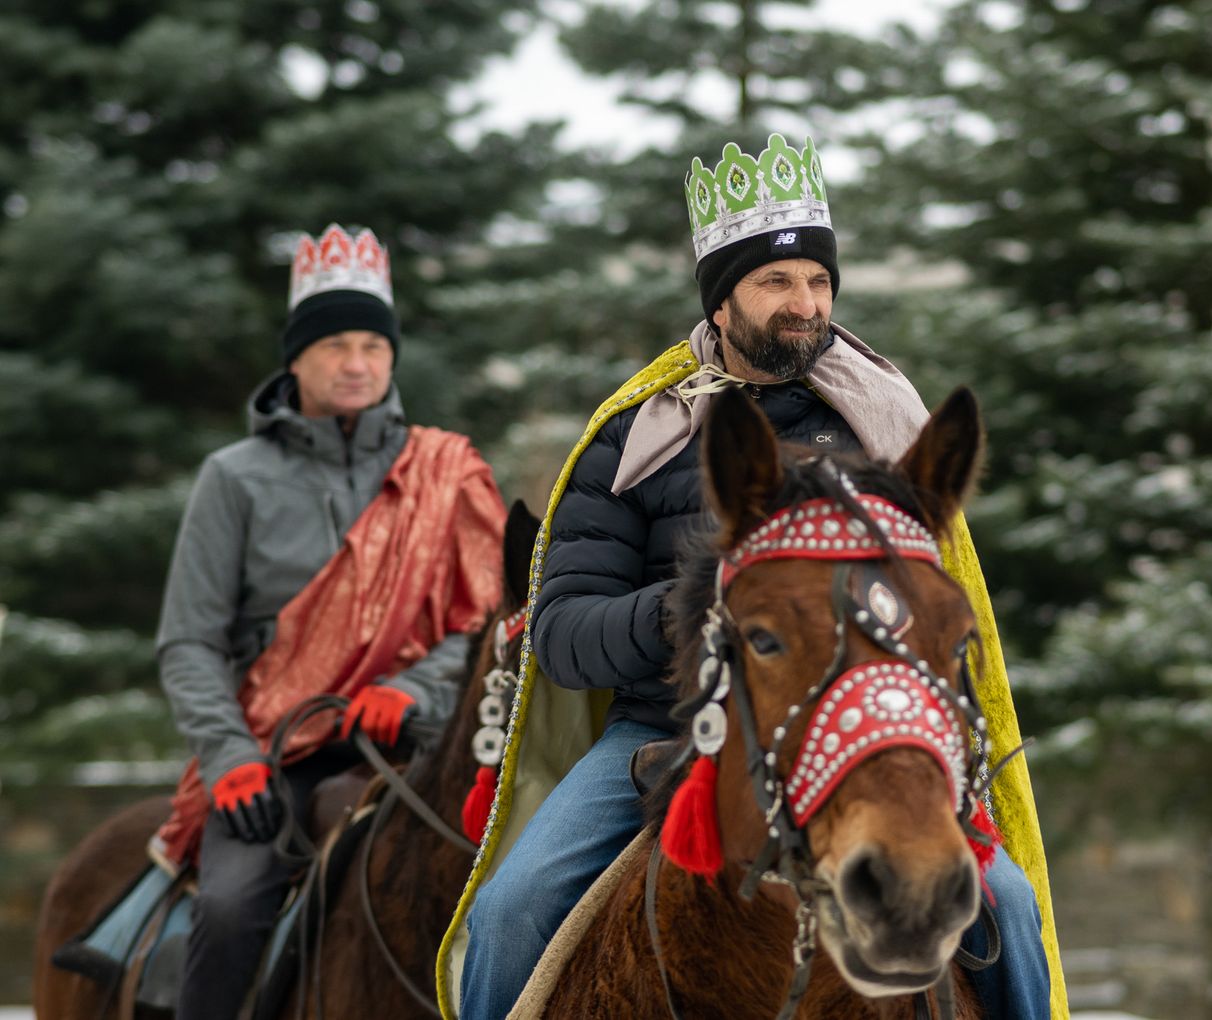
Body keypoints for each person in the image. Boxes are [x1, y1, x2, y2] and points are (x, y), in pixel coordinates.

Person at [438, 136, 1067, 1020]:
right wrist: (706, 607)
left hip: (854, 730)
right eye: (776, 282)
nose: (805, 304)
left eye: (819, 281)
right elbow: (565, 634)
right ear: (721, 298)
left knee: (1007, 903)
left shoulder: (885, 431)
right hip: (663, 731)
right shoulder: (633, 438)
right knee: (512, 911)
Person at [151, 224, 506, 1020]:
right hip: (279, 750)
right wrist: (230, 759)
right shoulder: (232, 479)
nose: (356, 364)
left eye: (373, 347)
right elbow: (189, 641)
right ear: (296, 359)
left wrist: (414, 689)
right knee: (230, 906)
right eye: (335, 346)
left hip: (421, 738)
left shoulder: (445, 470)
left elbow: (489, 622)